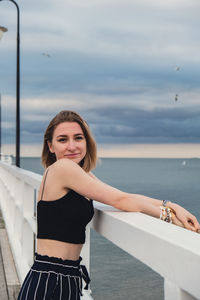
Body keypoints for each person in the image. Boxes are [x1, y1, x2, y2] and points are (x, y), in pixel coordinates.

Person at [17, 110, 200, 300]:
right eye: (63, 140)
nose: (72, 146)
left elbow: (123, 196)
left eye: (78, 138)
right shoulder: (63, 169)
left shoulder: (81, 175)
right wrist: (170, 217)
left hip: (65, 279)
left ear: (87, 142)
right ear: (51, 146)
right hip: (51, 282)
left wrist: (171, 205)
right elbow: (120, 201)